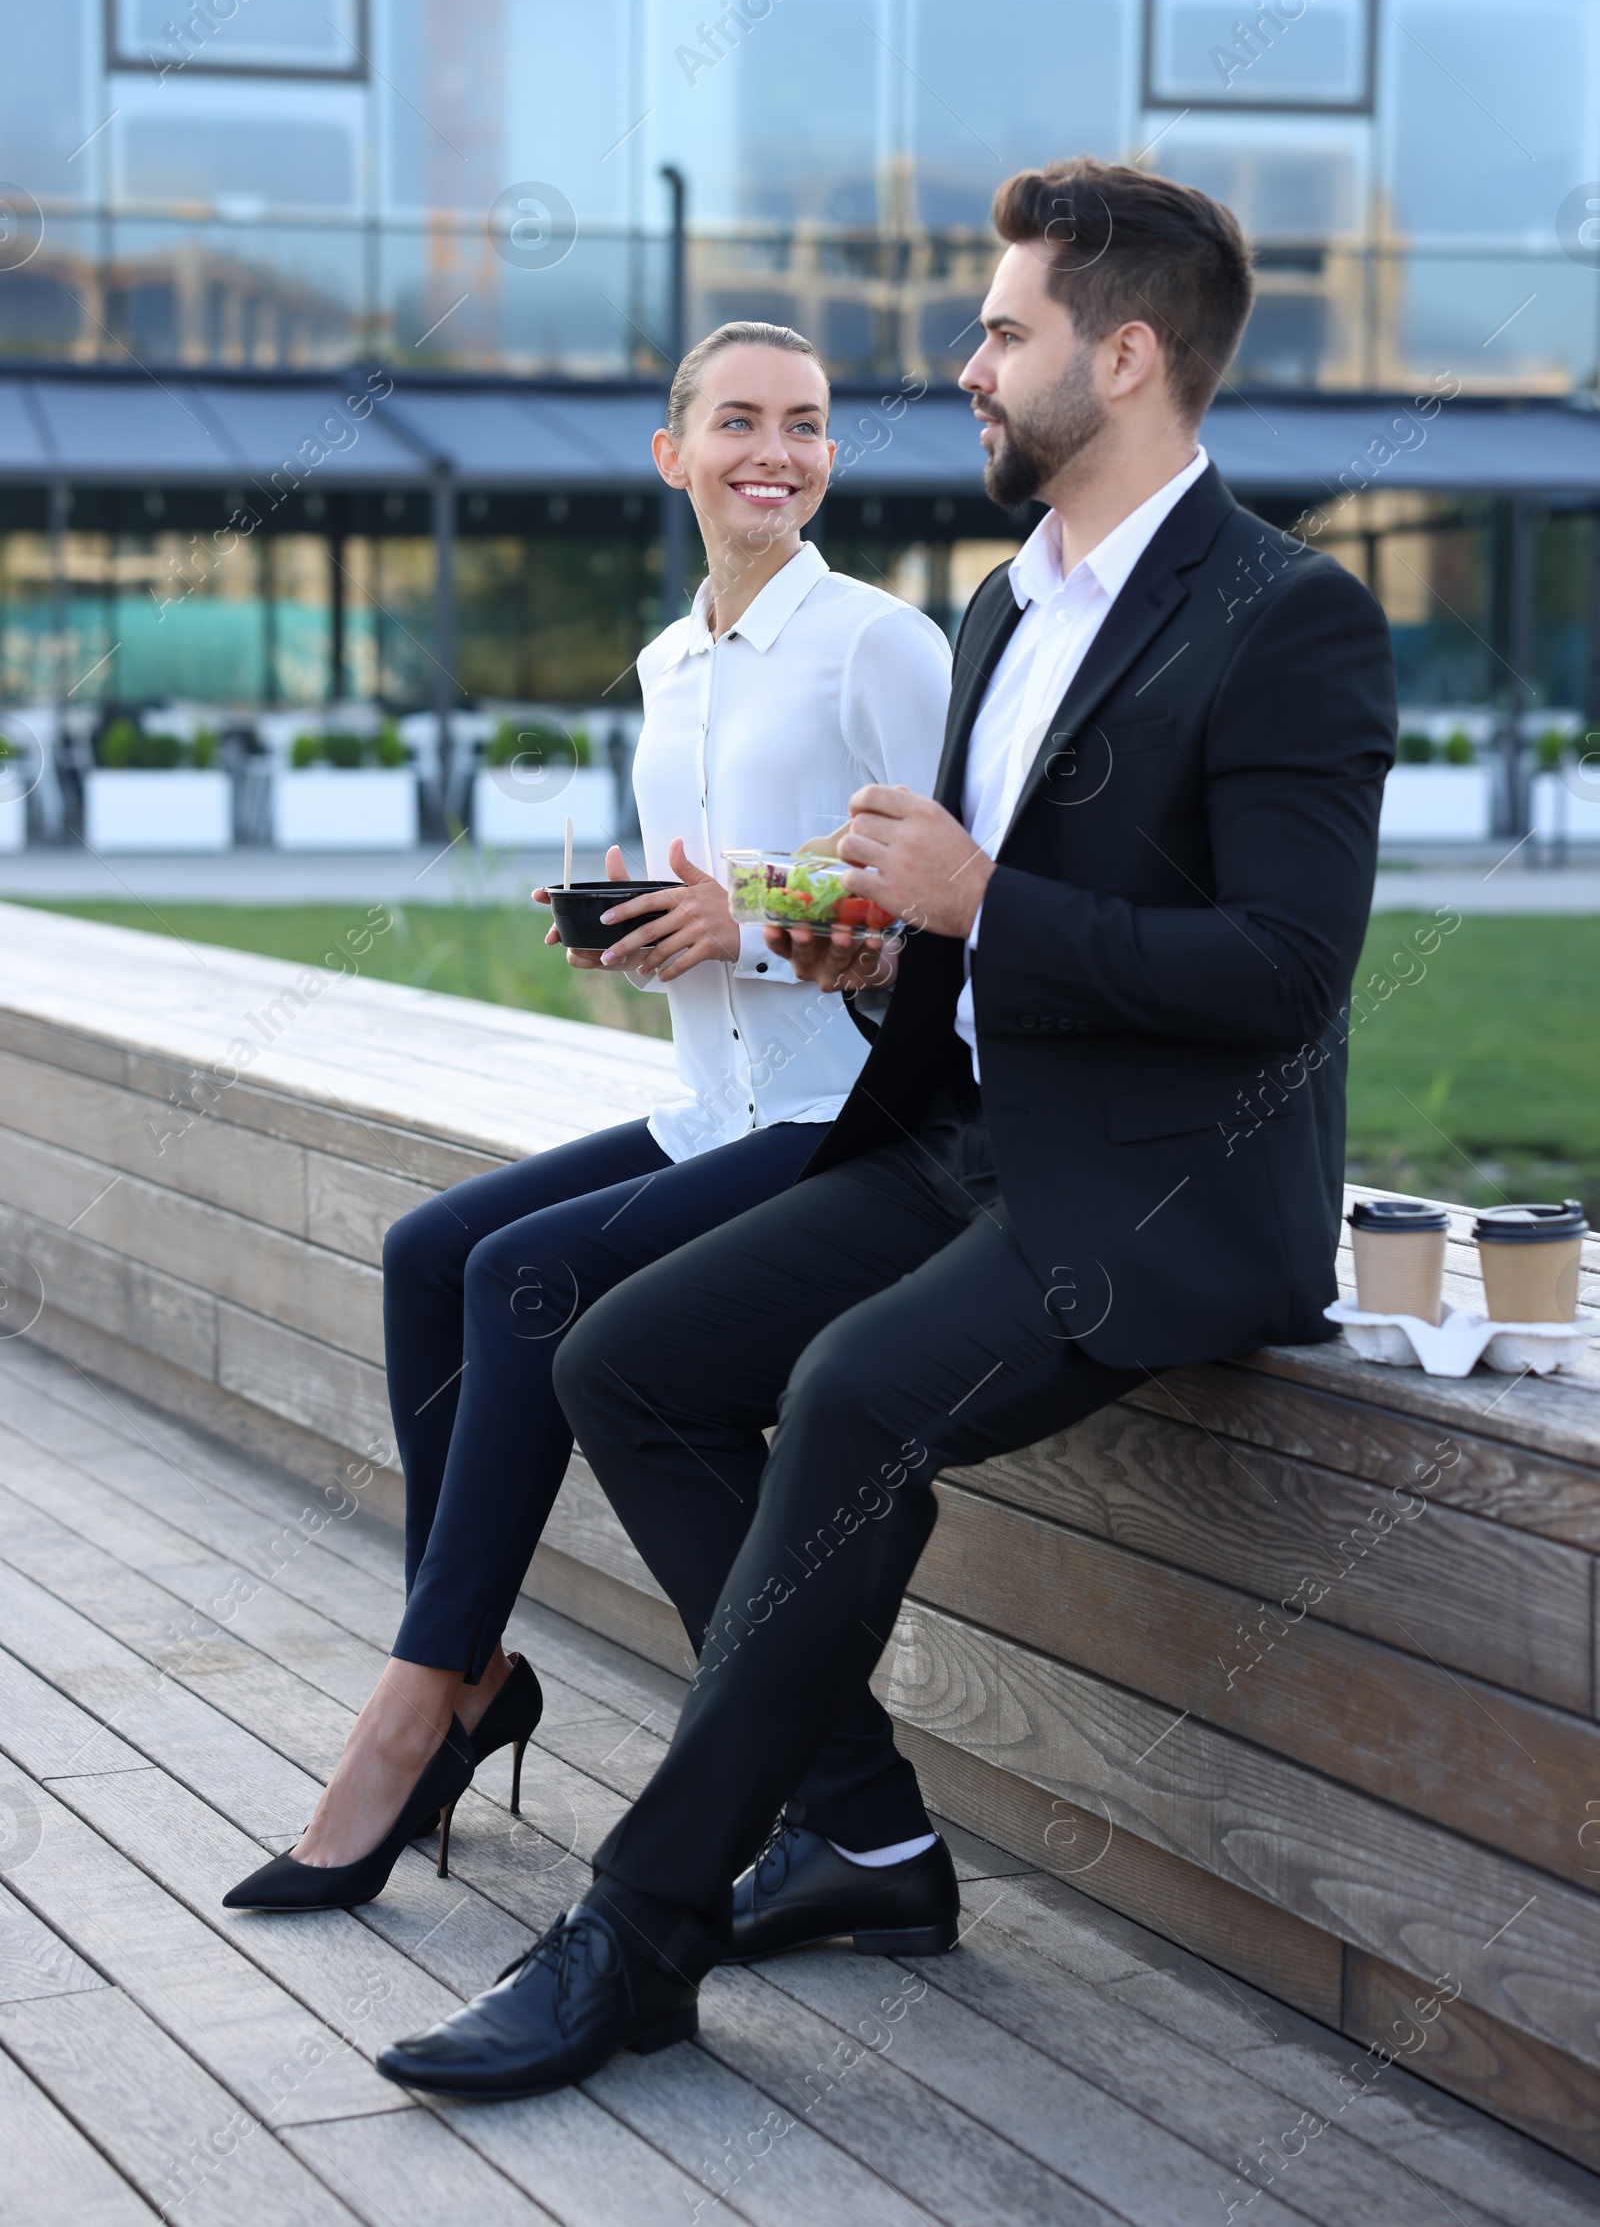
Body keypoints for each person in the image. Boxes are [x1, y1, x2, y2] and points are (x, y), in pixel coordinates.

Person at [374, 156, 1398, 2094]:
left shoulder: (1289, 616)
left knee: (848, 1394)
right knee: (623, 1358)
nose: (965, 370)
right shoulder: (1011, 607)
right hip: (968, 1140)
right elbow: (940, 925)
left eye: (999, 334)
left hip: (1162, 1198)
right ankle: (863, 1832)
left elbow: (1279, 971)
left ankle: (637, 1934)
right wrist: (849, 946)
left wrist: (979, 904)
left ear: (1121, 353)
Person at [223, 321, 950, 1913]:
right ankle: (474, 1668)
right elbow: (722, 892)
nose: (778, 452)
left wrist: (744, 926)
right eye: (741, 423)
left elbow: (947, 903)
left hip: (846, 1117)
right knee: (432, 1252)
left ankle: (414, 1709)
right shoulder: (670, 667)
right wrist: (649, 931)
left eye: (809, 426)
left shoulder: (881, 644)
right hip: (719, 1101)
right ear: (670, 453)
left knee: (520, 1278)